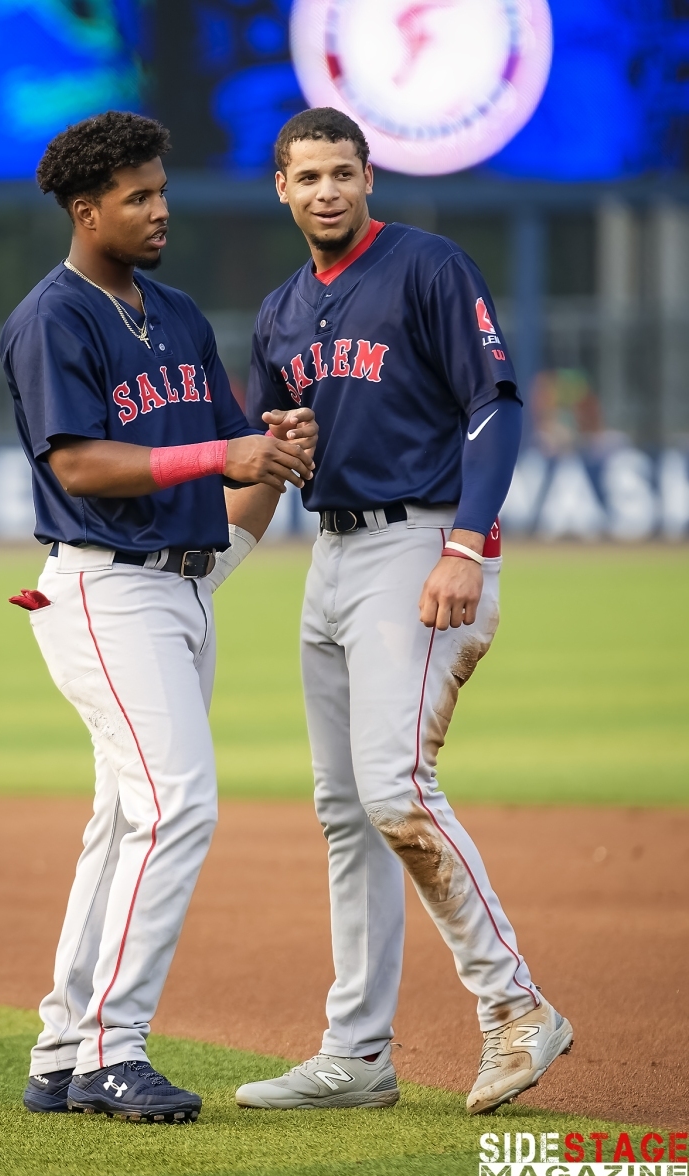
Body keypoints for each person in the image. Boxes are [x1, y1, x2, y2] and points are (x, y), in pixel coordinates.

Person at [235, 108, 573, 1116]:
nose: (327, 190)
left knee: (395, 791)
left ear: (369, 177)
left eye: (344, 172)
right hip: (331, 554)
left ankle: (516, 1007)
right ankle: (357, 1055)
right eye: (309, 176)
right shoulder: (281, 311)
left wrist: (466, 542)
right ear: (283, 190)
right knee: (347, 814)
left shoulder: (429, 266)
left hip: (421, 544)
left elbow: (496, 402)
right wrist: (199, 574)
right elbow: (268, 463)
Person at [0, 111, 317, 1124]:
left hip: (183, 585)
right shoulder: (54, 316)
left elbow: (232, 446)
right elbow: (79, 463)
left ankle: (61, 1051)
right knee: (177, 806)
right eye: (136, 196)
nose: (159, 209)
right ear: (87, 211)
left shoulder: (177, 314)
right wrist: (216, 459)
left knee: (123, 822)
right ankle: (111, 1049)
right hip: (104, 584)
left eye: (161, 190)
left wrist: (275, 440)